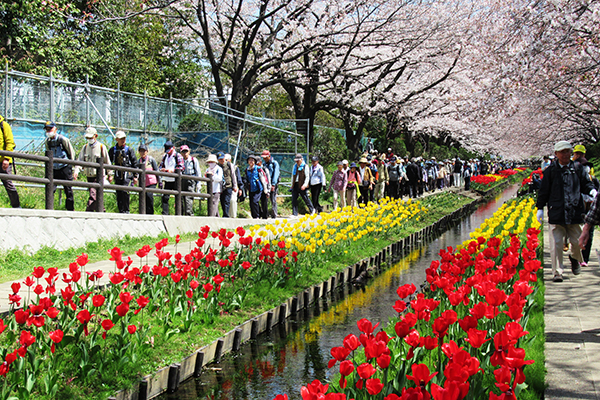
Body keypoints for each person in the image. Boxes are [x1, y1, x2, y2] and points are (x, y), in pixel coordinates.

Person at [537, 141, 597, 282]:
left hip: (575, 211)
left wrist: (592, 191)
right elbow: (544, 191)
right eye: (562, 152)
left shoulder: (577, 168)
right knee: (556, 244)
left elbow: (585, 184)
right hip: (556, 212)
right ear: (556, 154)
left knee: (578, 242)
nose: (565, 154)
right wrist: (540, 208)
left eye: (567, 151)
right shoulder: (551, 171)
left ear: (571, 153)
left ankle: (575, 258)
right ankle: (557, 272)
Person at [74, 127, 112, 212]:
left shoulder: (102, 147)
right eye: (87, 138)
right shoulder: (85, 147)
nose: (89, 139)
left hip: (99, 175)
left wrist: (110, 174)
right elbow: (80, 160)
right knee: (96, 195)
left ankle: (89, 211)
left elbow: (107, 162)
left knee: (93, 194)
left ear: (96, 136)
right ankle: (102, 210)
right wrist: (76, 170)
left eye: (91, 137)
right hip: (89, 175)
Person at [572, 144, 598, 265]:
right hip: (588, 203)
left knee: (578, 229)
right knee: (586, 230)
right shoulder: (591, 173)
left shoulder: (573, 168)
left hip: (580, 204)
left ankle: (579, 256)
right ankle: (583, 258)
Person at [44, 121, 75, 211]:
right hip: (53, 168)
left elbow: (71, 153)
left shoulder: (63, 140)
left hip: (64, 167)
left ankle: (70, 210)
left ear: (56, 129)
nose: (49, 131)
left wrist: (72, 166)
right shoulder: (48, 142)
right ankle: (49, 209)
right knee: (50, 188)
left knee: (68, 189)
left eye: (50, 129)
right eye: (47, 129)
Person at [108, 131, 138, 213]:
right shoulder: (112, 150)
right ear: (117, 139)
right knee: (118, 193)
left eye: (124, 138)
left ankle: (126, 210)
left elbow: (134, 163)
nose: (123, 140)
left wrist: (135, 176)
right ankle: (120, 210)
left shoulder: (129, 150)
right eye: (121, 139)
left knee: (125, 191)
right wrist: (109, 174)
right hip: (117, 174)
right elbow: (108, 163)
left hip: (127, 175)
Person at [159, 141, 184, 215]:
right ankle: (165, 213)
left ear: (173, 148)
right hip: (167, 179)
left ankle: (179, 213)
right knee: (165, 197)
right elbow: (161, 166)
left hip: (176, 180)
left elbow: (181, 167)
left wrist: (172, 171)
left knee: (178, 197)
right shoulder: (165, 156)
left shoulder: (178, 156)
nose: (168, 152)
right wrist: (162, 169)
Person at [0, 115, 20, 208]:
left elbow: (10, 142)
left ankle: (16, 206)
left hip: (3, 161)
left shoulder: (4, 125)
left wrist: (6, 158)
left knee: (8, 184)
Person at [138, 144, 159, 214]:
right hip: (142, 182)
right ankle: (143, 212)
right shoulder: (139, 161)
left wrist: (160, 181)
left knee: (149, 196)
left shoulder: (151, 160)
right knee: (142, 197)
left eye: (144, 151)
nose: (142, 153)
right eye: (141, 151)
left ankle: (150, 212)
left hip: (151, 182)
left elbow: (156, 170)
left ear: (147, 151)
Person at [180, 145, 201, 216]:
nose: (185, 153)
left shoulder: (193, 160)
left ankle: (189, 214)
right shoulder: (180, 160)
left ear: (189, 151)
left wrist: (198, 183)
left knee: (189, 198)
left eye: (186, 151)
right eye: (183, 151)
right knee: (181, 198)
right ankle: (181, 214)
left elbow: (198, 172)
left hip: (191, 180)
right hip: (182, 180)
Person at [216, 151, 237, 218]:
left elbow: (233, 175)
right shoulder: (217, 166)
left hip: (229, 185)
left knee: (227, 200)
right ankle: (224, 213)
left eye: (222, 159)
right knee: (222, 200)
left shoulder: (229, 165)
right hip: (221, 186)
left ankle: (226, 214)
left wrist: (235, 185)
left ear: (224, 158)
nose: (221, 160)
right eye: (220, 159)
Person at [261, 150, 280, 218]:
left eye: (265, 157)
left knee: (273, 199)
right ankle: (265, 213)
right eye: (263, 157)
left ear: (269, 156)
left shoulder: (274, 163)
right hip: (266, 184)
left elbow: (276, 174)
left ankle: (274, 214)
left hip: (272, 183)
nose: (264, 159)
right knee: (265, 199)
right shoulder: (264, 164)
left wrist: (273, 184)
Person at [226, 153, 244, 218]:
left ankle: (233, 216)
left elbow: (239, 178)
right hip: (226, 187)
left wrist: (240, 188)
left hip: (234, 187)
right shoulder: (222, 167)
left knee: (233, 201)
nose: (225, 161)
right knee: (227, 202)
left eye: (226, 160)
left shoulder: (235, 168)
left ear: (230, 160)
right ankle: (227, 215)